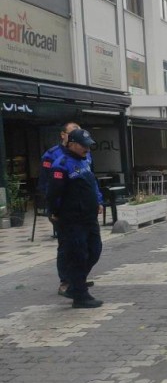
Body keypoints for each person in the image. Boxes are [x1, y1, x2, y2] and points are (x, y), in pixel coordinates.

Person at [46, 129, 104, 308]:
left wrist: (99, 201)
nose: (87, 148)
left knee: (95, 250)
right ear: (71, 144)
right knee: (78, 254)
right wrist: (54, 213)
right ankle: (80, 295)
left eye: (88, 145)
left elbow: (92, 183)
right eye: (83, 145)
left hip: (89, 216)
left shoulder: (85, 159)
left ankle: (74, 283)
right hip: (72, 218)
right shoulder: (61, 164)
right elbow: (53, 192)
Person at [39, 121, 95, 296]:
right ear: (64, 135)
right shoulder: (53, 156)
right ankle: (66, 281)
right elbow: (48, 184)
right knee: (67, 247)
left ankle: (77, 279)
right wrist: (53, 209)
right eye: (73, 132)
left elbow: (89, 179)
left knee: (89, 247)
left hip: (84, 210)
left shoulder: (84, 153)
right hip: (66, 209)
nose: (77, 134)